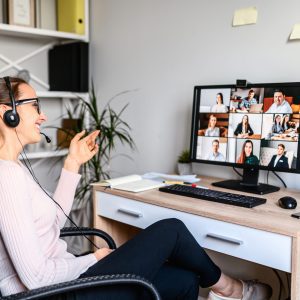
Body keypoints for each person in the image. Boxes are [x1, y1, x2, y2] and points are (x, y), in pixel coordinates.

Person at [0, 77, 272, 300]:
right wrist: (93, 258)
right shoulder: (7, 176)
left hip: (64, 281)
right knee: (171, 230)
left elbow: (52, 224)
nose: (42, 115)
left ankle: (229, 290)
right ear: (6, 112)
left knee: (185, 280)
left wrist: (72, 163)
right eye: (34, 105)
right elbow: (36, 278)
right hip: (54, 293)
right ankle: (232, 289)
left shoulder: (14, 169)